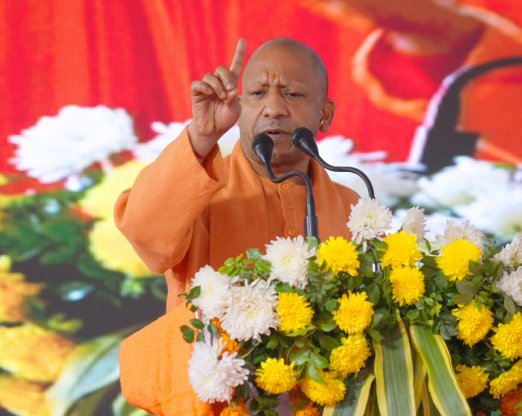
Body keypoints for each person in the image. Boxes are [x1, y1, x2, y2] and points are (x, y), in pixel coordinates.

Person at [115, 38, 360, 415]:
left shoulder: (353, 208)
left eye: (293, 94)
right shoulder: (201, 190)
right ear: (241, 107)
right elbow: (145, 234)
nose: (273, 108)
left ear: (324, 115)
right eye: (258, 93)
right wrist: (202, 135)